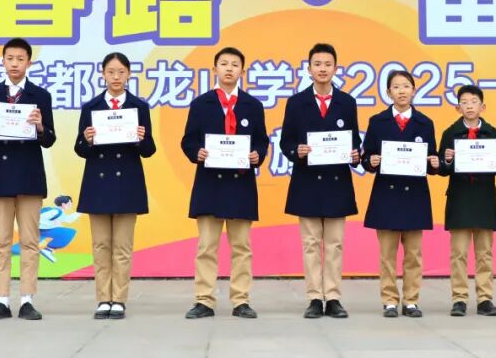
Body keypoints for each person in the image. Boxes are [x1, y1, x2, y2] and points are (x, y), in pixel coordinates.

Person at [181, 47, 269, 319]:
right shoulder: (201, 104)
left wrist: (257, 155)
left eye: (234, 64)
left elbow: (261, 141)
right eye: (224, 64)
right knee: (206, 246)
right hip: (209, 184)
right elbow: (188, 140)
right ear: (215, 69)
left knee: (241, 247)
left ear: (242, 71)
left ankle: (241, 300)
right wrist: (196, 152)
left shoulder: (252, 105)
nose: (229, 68)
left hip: (240, 186)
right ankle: (204, 300)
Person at [0, 37, 56, 321]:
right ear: (3, 61)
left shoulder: (40, 95)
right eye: (10, 58)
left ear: (29, 63)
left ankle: (27, 300)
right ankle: (1, 300)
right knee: (0, 241)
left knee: (30, 241)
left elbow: (50, 139)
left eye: (20, 59)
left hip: (29, 175)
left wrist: (40, 126)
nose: (14, 64)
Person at [279, 43, 360, 319]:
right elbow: (286, 141)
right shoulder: (296, 102)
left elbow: (354, 141)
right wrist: (296, 151)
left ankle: (333, 297)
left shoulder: (347, 102)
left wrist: (355, 154)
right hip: (307, 182)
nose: (322, 69)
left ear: (335, 68)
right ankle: (314, 297)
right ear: (309, 68)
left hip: (337, 183)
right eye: (317, 64)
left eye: (327, 64)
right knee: (311, 243)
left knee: (335, 244)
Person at [75, 52, 156, 320]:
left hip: (127, 183)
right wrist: (87, 139)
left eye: (121, 72)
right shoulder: (92, 107)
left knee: (122, 246)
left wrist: (141, 139)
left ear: (129, 74)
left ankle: (119, 299)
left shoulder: (138, 106)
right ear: (103, 74)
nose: (116, 77)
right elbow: (80, 149)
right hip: (98, 184)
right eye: (111, 72)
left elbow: (149, 150)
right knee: (101, 245)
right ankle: (103, 299)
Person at [361, 70, 440, 318]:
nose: (402, 91)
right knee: (387, 255)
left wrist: (434, 163)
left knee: (414, 254)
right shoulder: (378, 122)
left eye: (406, 86)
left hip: (414, 196)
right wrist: (371, 161)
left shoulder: (425, 123)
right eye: (396, 87)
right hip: (387, 196)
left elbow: (431, 159)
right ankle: (389, 300)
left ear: (414, 91)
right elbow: (366, 157)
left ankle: (411, 300)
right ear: (388, 92)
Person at [437, 85, 496, 317]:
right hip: (459, 198)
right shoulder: (450, 133)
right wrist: (447, 160)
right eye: (464, 102)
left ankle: (485, 298)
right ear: (458, 108)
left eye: (474, 102)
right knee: (458, 253)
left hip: (484, 199)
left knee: (485, 253)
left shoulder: (492, 133)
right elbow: (441, 169)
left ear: (483, 106)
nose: (469, 106)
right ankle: (459, 298)